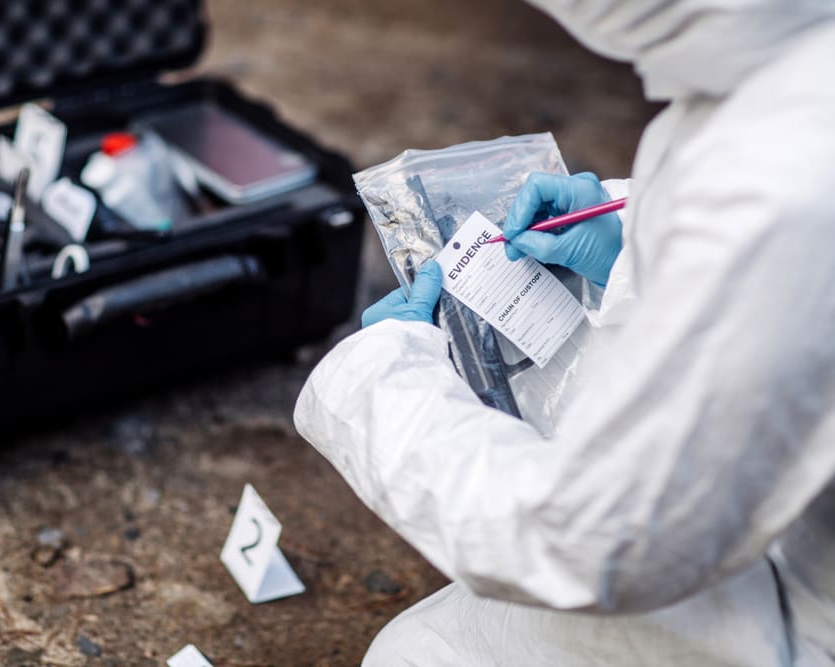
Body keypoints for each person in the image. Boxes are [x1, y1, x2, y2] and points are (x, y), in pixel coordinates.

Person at [293, 0, 835, 664]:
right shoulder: (786, 69)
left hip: (806, 610)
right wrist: (635, 254)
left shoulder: (789, 197)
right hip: (798, 518)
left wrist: (382, 382)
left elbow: (594, 539)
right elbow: (770, 304)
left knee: (423, 651)